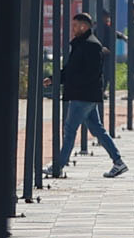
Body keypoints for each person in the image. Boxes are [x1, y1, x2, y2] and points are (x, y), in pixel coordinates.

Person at [51, 11, 128, 179]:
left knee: (70, 130)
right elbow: (71, 69)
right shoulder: (81, 44)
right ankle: (118, 162)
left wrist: (73, 83)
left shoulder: (91, 45)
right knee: (97, 130)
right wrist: (54, 79)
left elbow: (91, 73)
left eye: (75, 26)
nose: (73, 29)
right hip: (86, 94)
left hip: (83, 95)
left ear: (84, 26)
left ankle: (58, 166)